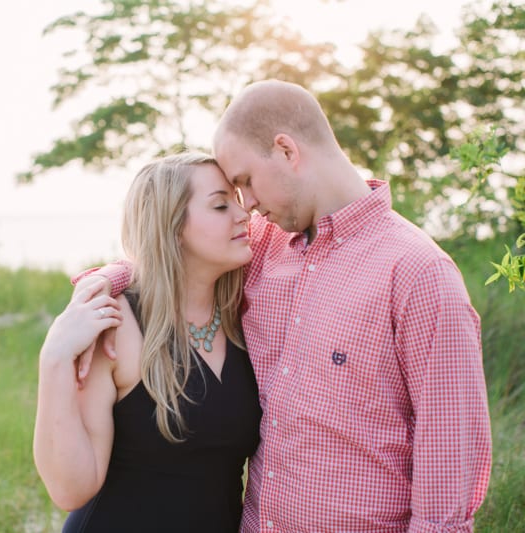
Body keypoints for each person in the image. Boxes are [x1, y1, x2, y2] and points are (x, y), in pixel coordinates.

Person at [74, 80, 493, 532]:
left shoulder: (419, 274)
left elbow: (448, 478)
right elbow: (167, 255)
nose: (247, 205)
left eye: (246, 182)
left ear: (287, 151)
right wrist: (101, 283)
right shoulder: (262, 247)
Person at [33, 152, 262, 532]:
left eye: (238, 202)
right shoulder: (118, 324)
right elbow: (71, 489)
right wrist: (54, 357)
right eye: (221, 205)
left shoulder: (246, 316)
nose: (244, 215)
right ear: (172, 228)